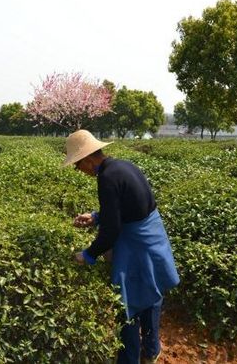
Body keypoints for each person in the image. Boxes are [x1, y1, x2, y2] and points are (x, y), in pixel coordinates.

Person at [65, 129, 179, 364]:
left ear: (87, 159)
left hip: (137, 244)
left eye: (78, 165)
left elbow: (111, 232)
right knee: (151, 292)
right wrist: (97, 216)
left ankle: (129, 359)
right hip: (153, 238)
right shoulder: (124, 165)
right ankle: (151, 349)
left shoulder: (106, 178)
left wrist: (88, 254)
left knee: (128, 303)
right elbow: (132, 203)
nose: (80, 171)